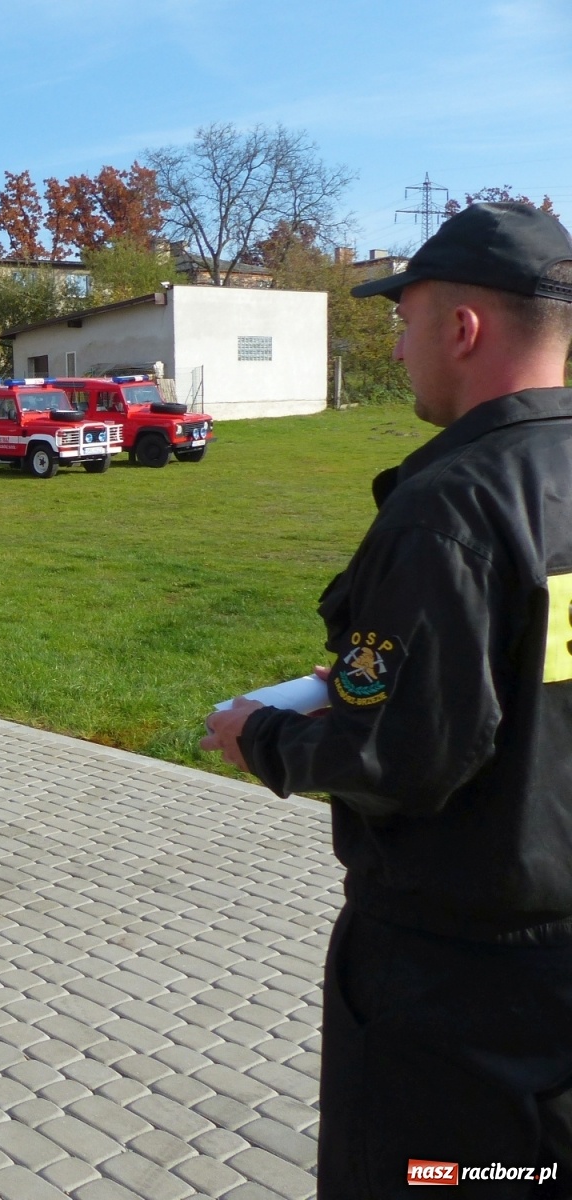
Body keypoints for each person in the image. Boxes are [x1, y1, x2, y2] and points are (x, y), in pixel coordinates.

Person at [200, 202, 572, 1192]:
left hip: (460, 987)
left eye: (403, 321)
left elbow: (401, 758)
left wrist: (261, 737)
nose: (396, 346)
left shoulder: (449, 504)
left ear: (463, 329)